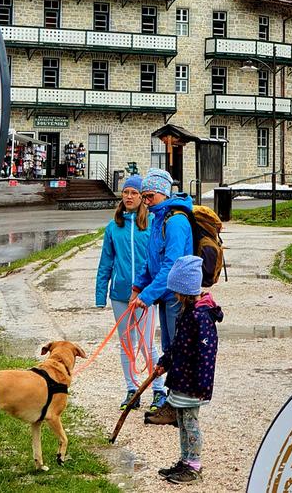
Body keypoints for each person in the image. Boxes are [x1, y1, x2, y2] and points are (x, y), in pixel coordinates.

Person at [95, 175, 167, 412]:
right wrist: (100, 294)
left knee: (147, 344)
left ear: (142, 197)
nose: (128, 197)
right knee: (126, 344)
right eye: (125, 192)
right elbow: (106, 262)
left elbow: (158, 260)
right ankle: (132, 389)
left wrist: (153, 290)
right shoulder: (113, 227)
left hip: (146, 295)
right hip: (120, 294)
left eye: (134, 193)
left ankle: (158, 389)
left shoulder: (153, 223)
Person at [129, 166, 194, 425]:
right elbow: (150, 259)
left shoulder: (176, 221)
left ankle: (180, 406)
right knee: (169, 349)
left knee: (179, 349)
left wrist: (146, 295)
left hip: (178, 297)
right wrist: (138, 286)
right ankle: (172, 402)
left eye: (149, 197)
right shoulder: (159, 219)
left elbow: (171, 265)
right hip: (165, 296)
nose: (145, 201)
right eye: (144, 197)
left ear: (163, 194)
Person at [156, 254, 223, 484]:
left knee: (191, 423)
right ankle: (185, 461)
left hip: (193, 384)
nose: (174, 296)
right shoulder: (187, 313)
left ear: (184, 291)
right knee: (182, 421)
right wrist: (165, 362)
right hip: (181, 381)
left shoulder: (201, 318)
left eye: (176, 292)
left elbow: (206, 355)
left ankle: (194, 465)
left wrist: (202, 386)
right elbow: (178, 346)